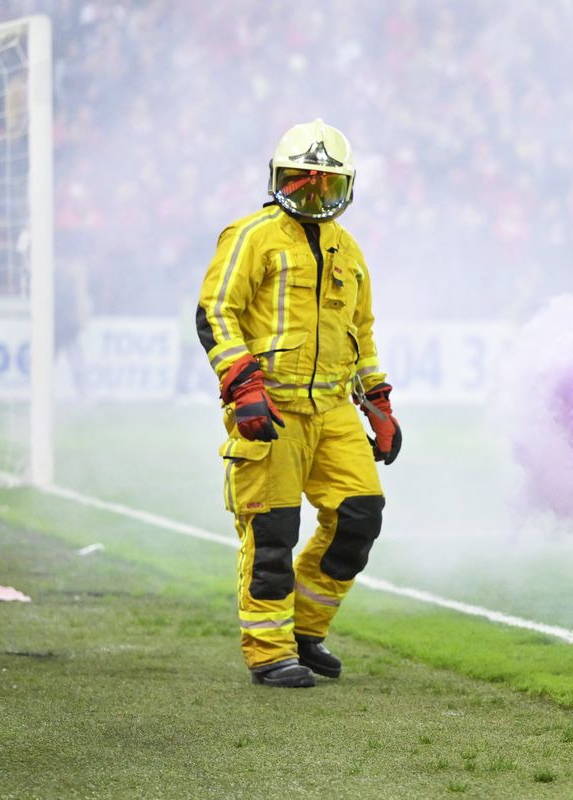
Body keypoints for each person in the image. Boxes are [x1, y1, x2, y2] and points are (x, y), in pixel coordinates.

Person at [196, 119, 400, 688]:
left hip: (333, 409)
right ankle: (269, 652)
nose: (313, 195)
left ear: (347, 187)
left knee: (360, 515)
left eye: (327, 185)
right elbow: (215, 312)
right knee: (272, 533)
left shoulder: (348, 249)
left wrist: (378, 403)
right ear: (276, 178)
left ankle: (305, 630)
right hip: (270, 407)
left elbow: (361, 332)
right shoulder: (250, 235)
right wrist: (244, 388)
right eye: (300, 181)